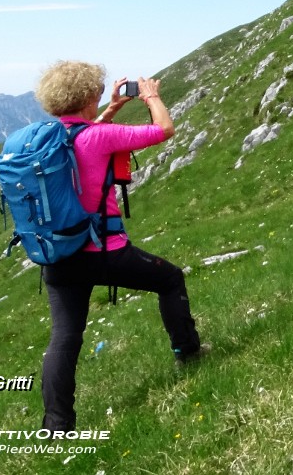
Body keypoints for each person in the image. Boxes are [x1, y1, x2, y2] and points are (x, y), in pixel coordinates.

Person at [33, 60, 203, 433]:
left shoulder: (47, 138)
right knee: (170, 279)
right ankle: (189, 353)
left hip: (58, 258)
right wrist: (152, 97)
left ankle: (56, 425)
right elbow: (165, 129)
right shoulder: (99, 137)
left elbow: (83, 136)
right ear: (87, 96)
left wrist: (111, 108)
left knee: (64, 337)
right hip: (102, 252)